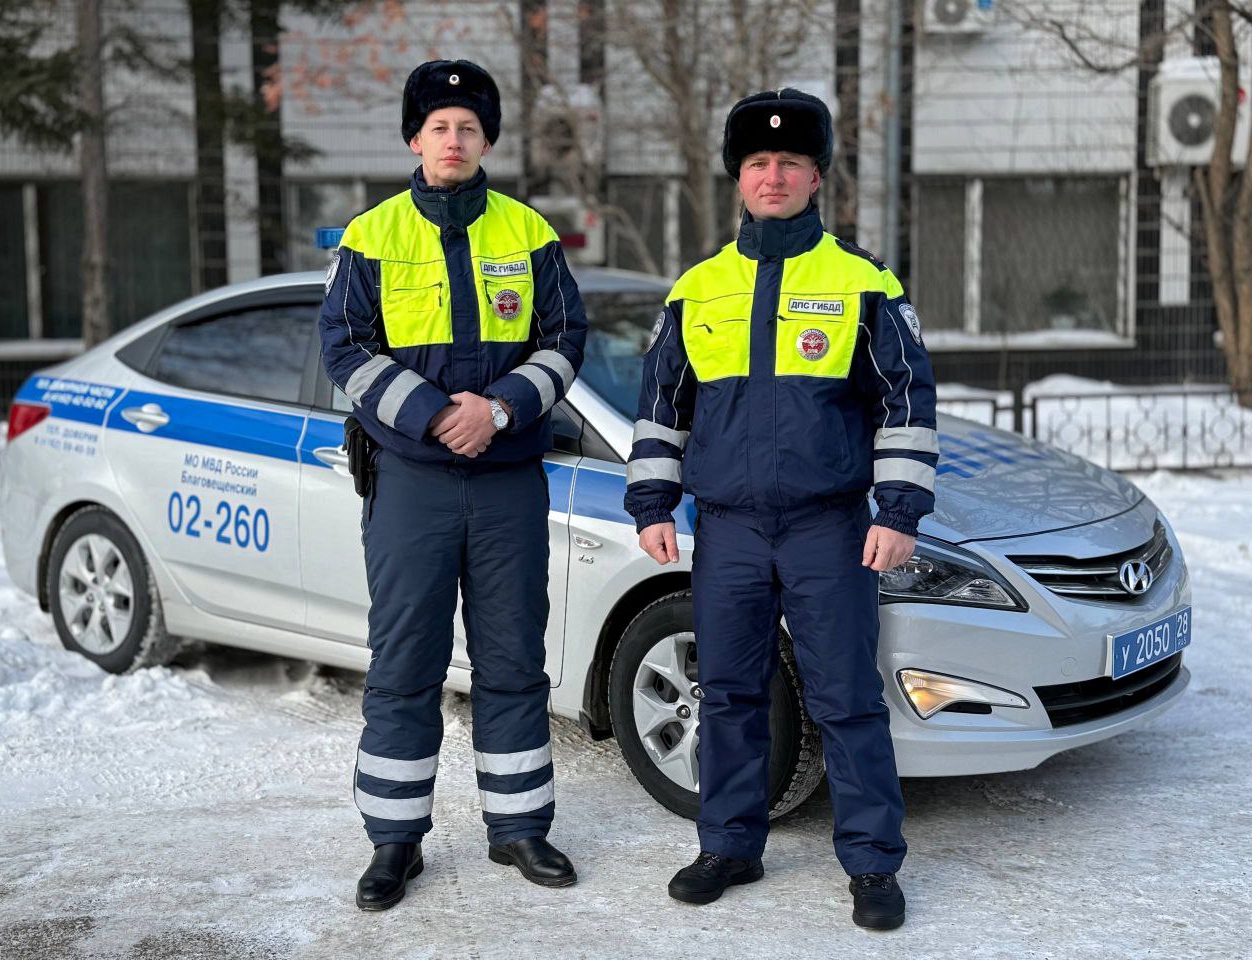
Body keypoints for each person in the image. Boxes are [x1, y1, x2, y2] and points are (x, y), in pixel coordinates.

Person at [623, 88, 938, 931]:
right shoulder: (697, 289)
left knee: (846, 697)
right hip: (725, 526)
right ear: (739, 178)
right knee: (726, 691)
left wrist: (898, 509)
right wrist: (653, 498)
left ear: (816, 176)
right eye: (758, 163)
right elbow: (662, 406)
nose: (774, 175)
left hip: (827, 526)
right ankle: (729, 842)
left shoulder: (861, 280)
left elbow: (907, 400)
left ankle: (872, 863)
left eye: (790, 162)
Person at [319, 59, 588, 911]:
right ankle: (394, 843)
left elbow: (567, 339)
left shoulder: (529, 233)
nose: (454, 138)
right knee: (405, 661)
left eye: (469, 126)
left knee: (513, 656)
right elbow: (343, 348)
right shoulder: (371, 236)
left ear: (487, 141)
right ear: (414, 137)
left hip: (508, 480)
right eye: (439, 125)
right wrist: (438, 415)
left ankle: (519, 829)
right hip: (411, 482)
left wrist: (502, 409)